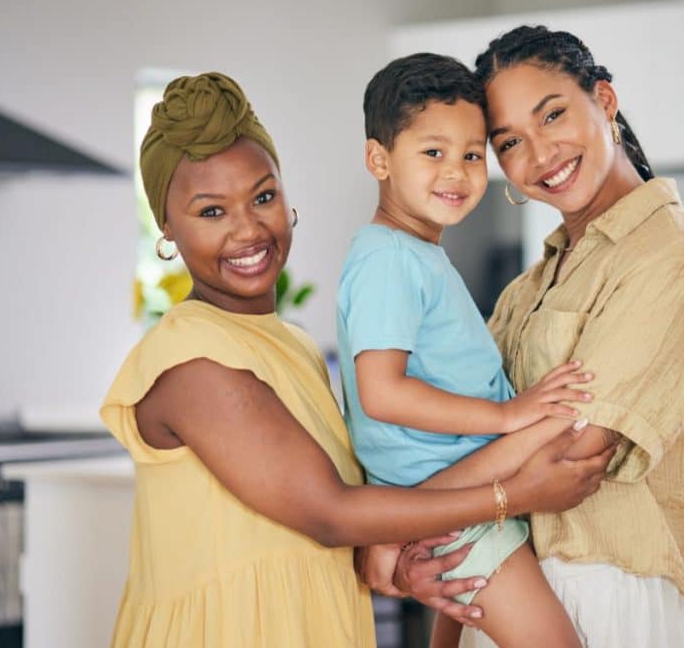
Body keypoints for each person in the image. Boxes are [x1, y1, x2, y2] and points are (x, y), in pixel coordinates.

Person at [99, 71, 615, 648]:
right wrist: (517, 494)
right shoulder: (190, 361)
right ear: (166, 228)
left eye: (264, 197)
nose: (249, 229)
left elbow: (312, 521)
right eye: (211, 212)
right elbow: (330, 513)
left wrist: (395, 565)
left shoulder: (292, 347)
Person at [363, 26, 684, 648]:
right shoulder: (528, 288)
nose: (540, 155)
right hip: (506, 587)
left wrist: (394, 520)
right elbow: (468, 460)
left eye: (553, 114)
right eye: (510, 141)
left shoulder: (674, 256)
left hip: (609, 595)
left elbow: (575, 450)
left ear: (605, 102)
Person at [337, 53, 594, 648]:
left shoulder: (414, 253)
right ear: (379, 159)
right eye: (433, 152)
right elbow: (381, 392)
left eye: (472, 155)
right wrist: (508, 416)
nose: (456, 172)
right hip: (455, 502)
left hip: (457, 497)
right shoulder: (388, 260)